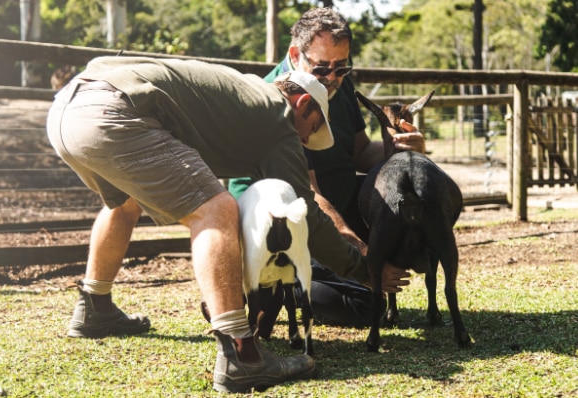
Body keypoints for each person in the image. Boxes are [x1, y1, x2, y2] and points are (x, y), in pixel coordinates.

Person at [46, 56, 369, 393]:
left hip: (67, 110)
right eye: (313, 128)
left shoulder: (241, 92)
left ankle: (94, 306)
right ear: (303, 103)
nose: (306, 141)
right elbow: (304, 212)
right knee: (216, 209)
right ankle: (241, 355)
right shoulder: (279, 115)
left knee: (124, 204)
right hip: (112, 113)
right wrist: (362, 269)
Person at [229, 7, 423, 328]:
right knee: (362, 305)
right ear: (295, 54)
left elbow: (360, 152)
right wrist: (362, 254)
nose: (332, 78)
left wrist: (397, 146)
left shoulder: (338, 84)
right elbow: (309, 197)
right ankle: (276, 286)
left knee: (401, 191)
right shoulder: (279, 99)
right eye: (321, 68)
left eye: (341, 67)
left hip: (337, 207)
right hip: (289, 223)